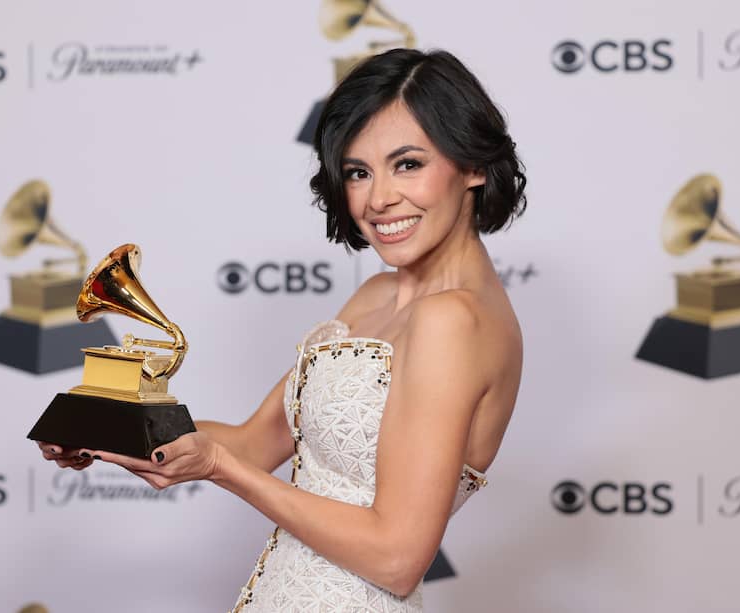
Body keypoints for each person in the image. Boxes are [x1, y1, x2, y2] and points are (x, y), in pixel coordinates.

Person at [38, 48, 526, 612]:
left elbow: (398, 559)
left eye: (408, 164)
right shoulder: (377, 295)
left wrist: (219, 468)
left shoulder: (454, 321)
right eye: (358, 172)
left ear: (474, 165)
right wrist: (109, 430)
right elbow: (253, 441)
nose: (379, 198)